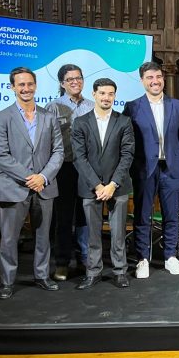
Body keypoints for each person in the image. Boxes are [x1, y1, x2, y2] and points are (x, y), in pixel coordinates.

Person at [0, 66, 64, 299]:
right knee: (10, 238)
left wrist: (42, 177)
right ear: (12, 87)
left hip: (44, 186)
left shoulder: (49, 117)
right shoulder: (1, 117)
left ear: (35, 86)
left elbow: (58, 151)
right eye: (20, 84)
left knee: (43, 237)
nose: (26, 88)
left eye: (29, 84)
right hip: (13, 188)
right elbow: (0, 155)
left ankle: (42, 276)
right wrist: (29, 178)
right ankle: (7, 282)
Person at [123, 62, 179, 278]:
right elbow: (128, 140)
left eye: (158, 77)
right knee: (142, 216)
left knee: (172, 215)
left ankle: (170, 255)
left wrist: (172, 157)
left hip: (171, 168)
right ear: (142, 81)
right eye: (150, 77)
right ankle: (143, 259)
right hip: (144, 169)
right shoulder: (132, 107)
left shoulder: (178, 106)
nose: (155, 81)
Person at [71, 78, 135, 289]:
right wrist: (98, 186)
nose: (106, 97)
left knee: (118, 233)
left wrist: (112, 184)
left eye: (110, 94)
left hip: (118, 187)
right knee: (93, 232)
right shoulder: (80, 122)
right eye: (102, 93)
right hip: (91, 188)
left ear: (114, 96)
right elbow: (79, 158)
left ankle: (120, 271)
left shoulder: (124, 121)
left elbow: (127, 155)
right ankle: (93, 272)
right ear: (94, 94)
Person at [45, 64, 94, 281]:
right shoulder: (53, 107)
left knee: (85, 216)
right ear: (62, 83)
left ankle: (85, 258)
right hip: (63, 168)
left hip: (88, 169)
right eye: (69, 79)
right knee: (63, 217)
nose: (75, 82)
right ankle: (62, 262)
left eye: (78, 77)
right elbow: (47, 141)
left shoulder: (93, 105)